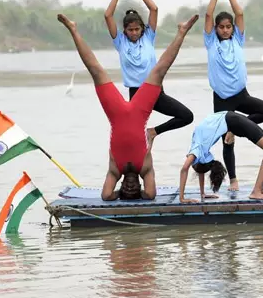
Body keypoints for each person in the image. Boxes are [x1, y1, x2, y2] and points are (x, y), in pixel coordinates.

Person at [58, 11, 199, 201]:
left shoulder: (115, 170)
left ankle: (73, 30)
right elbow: (150, 195)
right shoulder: (145, 168)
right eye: (134, 188)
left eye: (127, 188)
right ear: (140, 184)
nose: (130, 185)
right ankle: (181, 33)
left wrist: (119, 195)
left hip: (116, 115)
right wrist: (137, 195)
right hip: (139, 114)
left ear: (121, 185)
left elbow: (106, 195)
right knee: (159, 70)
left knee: (96, 71)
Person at [204, 0, 263, 191]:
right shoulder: (211, 43)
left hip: (241, 95)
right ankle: (233, 180)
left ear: (233, 28)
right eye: (221, 27)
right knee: (226, 141)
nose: (225, 30)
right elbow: (208, 14)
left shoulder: (238, 40)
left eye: (228, 26)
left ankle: (237, 127)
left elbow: (240, 12)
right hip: (222, 99)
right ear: (216, 29)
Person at [104, 0, 194, 143]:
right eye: (130, 30)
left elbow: (154, 9)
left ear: (142, 29)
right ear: (124, 31)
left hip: (155, 91)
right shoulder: (120, 42)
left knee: (186, 116)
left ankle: (153, 132)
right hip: (136, 94)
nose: (134, 33)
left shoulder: (148, 37)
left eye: (137, 29)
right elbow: (108, 16)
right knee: (133, 137)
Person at [178, 111, 263, 202]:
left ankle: (257, 190)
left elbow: (184, 169)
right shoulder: (200, 151)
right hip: (231, 119)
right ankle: (258, 189)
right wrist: (202, 194)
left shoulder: (196, 151)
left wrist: (182, 198)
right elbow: (200, 170)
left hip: (232, 121)